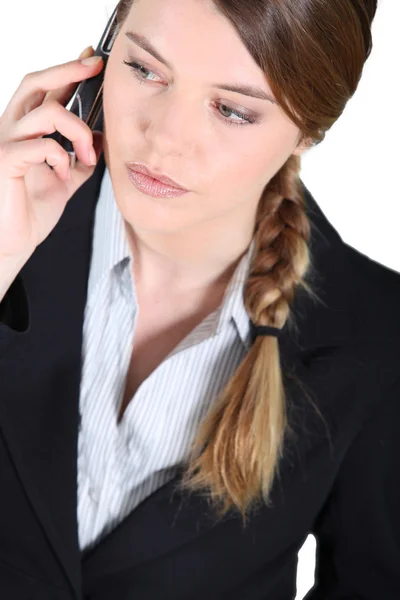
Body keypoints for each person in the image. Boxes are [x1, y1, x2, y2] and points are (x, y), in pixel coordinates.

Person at [0, 0, 399, 598]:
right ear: (99, 56)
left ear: (309, 131)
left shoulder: (376, 337)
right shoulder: (11, 224)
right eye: (144, 70)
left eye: (233, 110)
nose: (165, 137)